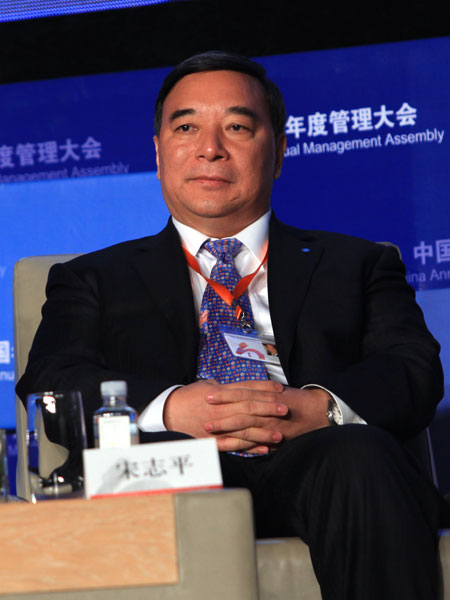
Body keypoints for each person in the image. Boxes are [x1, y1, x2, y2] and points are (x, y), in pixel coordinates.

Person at [17, 51, 449, 599]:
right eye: (186, 127)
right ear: (159, 153)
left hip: (322, 465)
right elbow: (51, 381)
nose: (210, 148)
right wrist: (173, 407)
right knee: (141, 479)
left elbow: (412, 370)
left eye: (238, 127)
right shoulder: (93, 278)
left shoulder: (357, 263)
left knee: (360, 456)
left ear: (279, 151)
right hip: (169, 468)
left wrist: (314, 408)